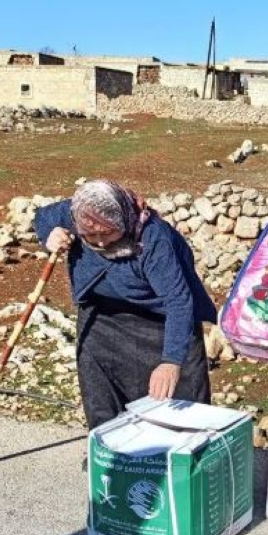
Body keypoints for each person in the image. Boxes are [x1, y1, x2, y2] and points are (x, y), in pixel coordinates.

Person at [34, 179, 216, 430]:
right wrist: (49, 235)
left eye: (107, 233)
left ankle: (182, 462)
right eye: (90, 235)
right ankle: (109, 454)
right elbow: (43, 217)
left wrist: (171, 362)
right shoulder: (78, 213)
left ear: (123, 219)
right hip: (103, 315)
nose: (99, 242)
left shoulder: (153, 239)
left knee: (180, 399)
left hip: (161, 320)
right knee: (101, 394)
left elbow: (178, 301)